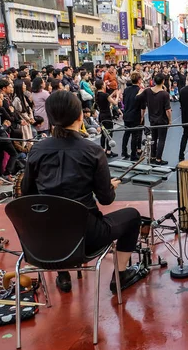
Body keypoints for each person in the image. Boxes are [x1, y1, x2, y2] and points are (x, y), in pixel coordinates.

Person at [21, 91, 144, 294]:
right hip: (86, 237)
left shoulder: (36, 150)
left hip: (45, 239)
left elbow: (27, 192)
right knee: (132, 216)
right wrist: (109, 186)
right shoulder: (92, 151)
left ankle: (62, 272)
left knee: (56, 216)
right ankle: (120, 275)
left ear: (50, 118)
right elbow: (106, 199)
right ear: (80, 116)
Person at [138, 73, 171, 165]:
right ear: (163, 81)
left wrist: (140, 91)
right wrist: (170, 121)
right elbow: (168, 110)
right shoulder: (165, 94)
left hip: (152, 119)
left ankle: (152, 156)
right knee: (161, 139)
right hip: (162, 120)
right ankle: (158, 158)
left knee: (154, 138)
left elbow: (138, 98)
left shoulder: (148, 91)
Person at [121, 72, 144, 161]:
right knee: (135, 135)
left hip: (127, 113)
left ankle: (124, 151)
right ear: (139, 80)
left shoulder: (126, 90)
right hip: (135, 115)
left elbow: (124, 101)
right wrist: (142, 116)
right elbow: (142, 106)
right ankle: (133, 154)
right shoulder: (140, 90)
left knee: (126, 133)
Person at [95, 81, 119, 158]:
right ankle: (108, 151)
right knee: (109, 132)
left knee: (103, 133)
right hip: (107, 116)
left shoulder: (97, 94)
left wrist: (112, 94)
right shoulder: (105, 95)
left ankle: (102, 150)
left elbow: (107, 99)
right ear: (102, 86)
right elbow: (115, 103)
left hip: (101, 115)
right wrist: (117, 94)